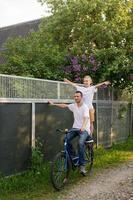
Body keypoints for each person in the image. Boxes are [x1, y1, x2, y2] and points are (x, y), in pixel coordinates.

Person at [48, 91, 93, 175]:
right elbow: (64, 105)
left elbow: (86, 118)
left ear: (81, 97)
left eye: (78, 96)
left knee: (80, 143)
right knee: (66, 139)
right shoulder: (73, 106)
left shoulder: (85, 107)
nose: (76, 98)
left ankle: (82, 165)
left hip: (84, 130)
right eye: (75, 96)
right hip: (75, 128)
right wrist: (53, 104)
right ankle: (73, 156)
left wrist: (83, 126)